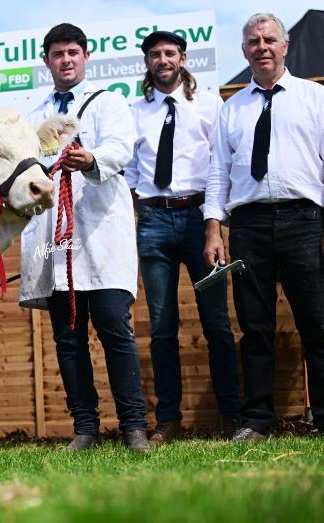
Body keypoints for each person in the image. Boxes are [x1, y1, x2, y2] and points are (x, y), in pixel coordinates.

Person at [20, 23, 149, 451]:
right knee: (68, 338)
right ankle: (85, 428)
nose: (67, 59)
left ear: (86, 56)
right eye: (58, 54)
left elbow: (121, 148)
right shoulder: (31, 111)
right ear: (47, 61)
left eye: (74, 52)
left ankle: (133, 426)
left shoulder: (108, 102)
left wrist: (91, 157)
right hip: (54, 238)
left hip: (102, 232)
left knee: (115, 328)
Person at [203, 13, 324, 440]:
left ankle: (323, 416)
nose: (262, 47)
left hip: (305, 221)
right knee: (254, 327)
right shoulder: (231, 109)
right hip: (249, 226)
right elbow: (217, 173)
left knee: (318, 321)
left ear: (285, 46)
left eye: (270, 39)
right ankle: (257, 421)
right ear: (244, 51)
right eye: (253, 41)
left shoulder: (315, 98)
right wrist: (214, 229)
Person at [124, 31, 242, 444]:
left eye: (169, 53)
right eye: (154, 55)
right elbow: (130, 171)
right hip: (154, 222)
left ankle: (233, 417)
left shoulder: (211, 104)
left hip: (199, 220)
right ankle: (168, 420)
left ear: (183, 57)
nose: (162, 60)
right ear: (147, 62)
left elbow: (220, 167)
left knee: (217, 324)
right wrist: (140, 211)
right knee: (160, 327)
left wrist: (214, 226)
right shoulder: (134, 110)